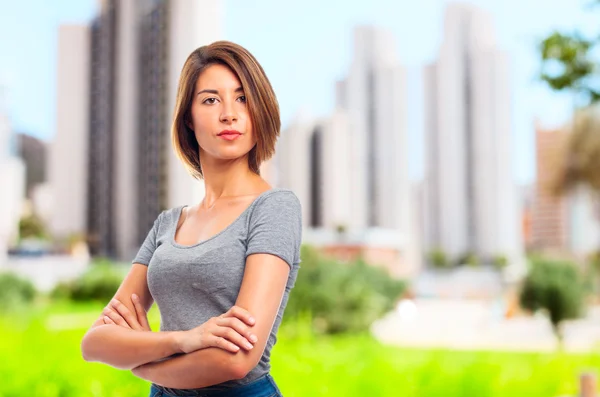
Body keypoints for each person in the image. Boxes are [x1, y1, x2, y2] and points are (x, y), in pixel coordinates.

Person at [81, 41, 302, 397]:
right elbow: (94, 343)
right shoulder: (168, 224)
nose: (229, 114)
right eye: (211, 100)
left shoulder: (274, 208)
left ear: (260, 111)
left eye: (243, 98)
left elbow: (237, 359)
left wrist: (140, 361)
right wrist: (184, 340)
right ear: (188, 116)